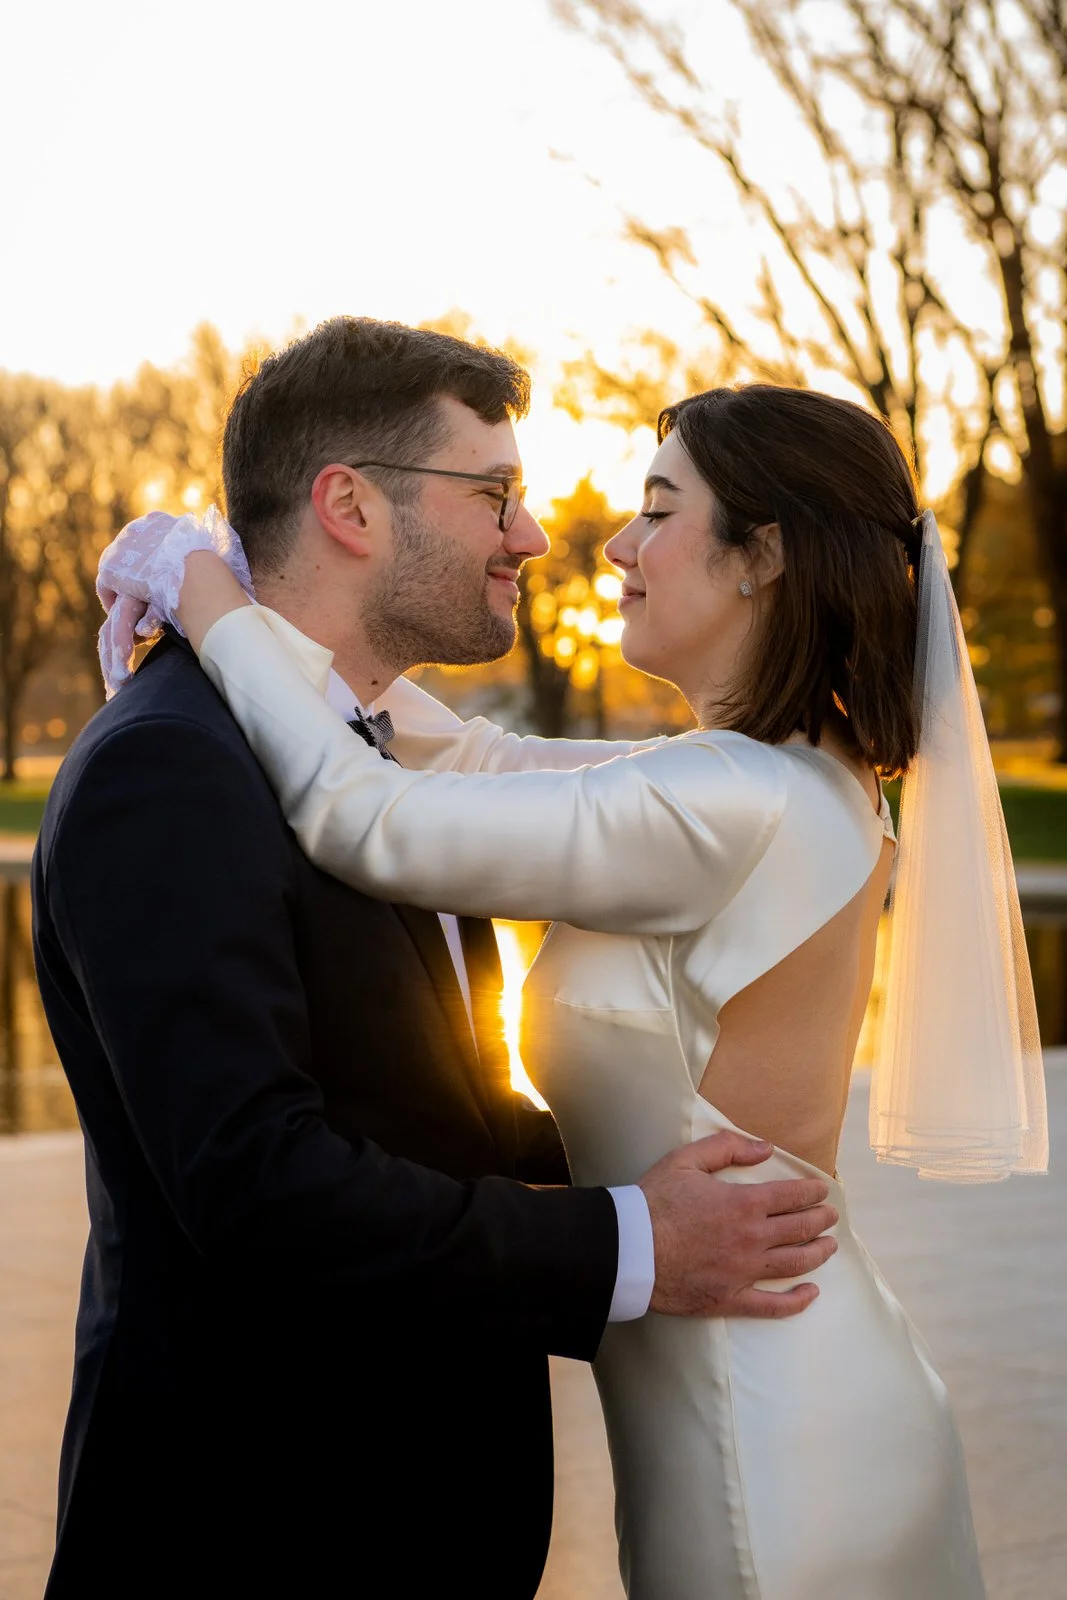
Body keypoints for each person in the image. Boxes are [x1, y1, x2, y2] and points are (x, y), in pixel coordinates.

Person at [105, 376, 1050, 1597]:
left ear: (761, 556)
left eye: (657, 510)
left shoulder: (732, 798)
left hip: (764, 1432)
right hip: (775, 1388)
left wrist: (210, 598)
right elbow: (481, 757)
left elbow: (364, 815)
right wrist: (307, 655)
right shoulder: (782, 771)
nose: (612, 541)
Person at [33, 321, 839, 1600]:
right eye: (495, 495)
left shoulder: (363, 756)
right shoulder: (170, 767)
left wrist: (673, 1217)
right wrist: (629, 1240)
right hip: (256, 1527)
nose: (529, 536)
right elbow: (255, 1181)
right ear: (349, 505)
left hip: (415, 1522)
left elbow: (423, 1107)